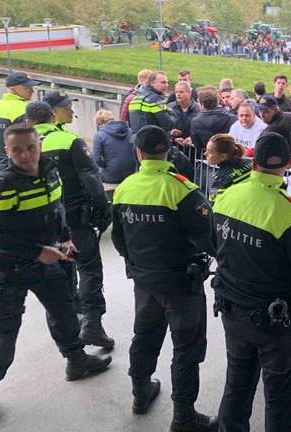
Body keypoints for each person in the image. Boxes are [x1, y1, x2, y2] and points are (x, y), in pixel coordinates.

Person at [0, 124, 112, 428]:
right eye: (17, 150)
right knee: (4, 336)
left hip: (48, 259)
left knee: (66, 314)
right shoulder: (1, 186)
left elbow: (57, 209)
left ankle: (76, 361)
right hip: (10, 267)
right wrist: (35, 251)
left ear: (39, 145)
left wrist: (66, 237)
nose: (25, 155)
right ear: (6, 151)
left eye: (30, 147)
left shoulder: (50, 171)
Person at [212, 132, 291, 432]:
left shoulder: (226, 197)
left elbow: (216, 245)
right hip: (276, 321)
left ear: (252, 162)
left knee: (237, 381)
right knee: (281, 398)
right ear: (289, 163)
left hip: (231, 308)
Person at [111, 126, 217, 431]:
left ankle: (140, 394)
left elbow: (119, 239)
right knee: (186, 348)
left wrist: (139, 265)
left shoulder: (125, 187)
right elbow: (208, 239)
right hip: (181, 286)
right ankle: (184, 417)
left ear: (139, 153)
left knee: (144, 337)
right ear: (168, 151)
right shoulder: (182, 189)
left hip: (144, 282)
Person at [29, 97, 114, 348]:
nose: (72, 111)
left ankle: (71, 346)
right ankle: (92, 325)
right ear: (52, 114)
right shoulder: (68, 140)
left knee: (57, 281)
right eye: (67, 108)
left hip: (41, 224)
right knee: (87, 269)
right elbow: (90, 179)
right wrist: (104, 212)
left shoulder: (21, 144)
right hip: (74, 218)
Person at [0, 72, 37, 171]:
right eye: (27, 88)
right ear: (13, 90)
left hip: (2, 164)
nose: (32, 91)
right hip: (22, 164)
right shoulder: (24, 109)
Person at [93, 109, 137, 184]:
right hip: (131, 172)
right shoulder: (129, 130)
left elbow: (97, 160)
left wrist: (106, 165)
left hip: (112, 175)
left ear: (99, 123)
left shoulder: (99, 135)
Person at [204, 133, 251, 203]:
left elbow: (212, 204)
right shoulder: (251, 163)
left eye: (209, 152)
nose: (205, 153)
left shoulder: (221, 180)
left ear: (223, 156)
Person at [190, 86, 236, 150]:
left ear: (202, 104)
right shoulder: (231, 118)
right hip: (226, 153)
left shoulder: (195, 121)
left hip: (205, 155)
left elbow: (197, 143)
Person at [168, 81, 201, 148]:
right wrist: (173, 138)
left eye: (181, 92)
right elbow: (164, 127)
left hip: (193, 148)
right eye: (176, 92)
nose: (178, 94)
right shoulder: (170, 107)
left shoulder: (198, 108)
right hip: (174, 147)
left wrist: (192, 138)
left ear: (189, 92)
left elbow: (201, 129)